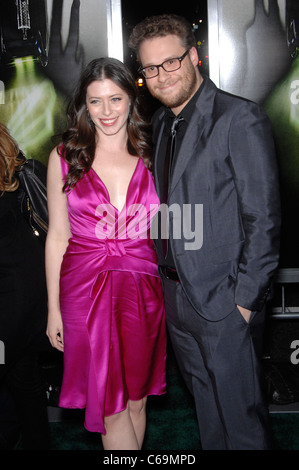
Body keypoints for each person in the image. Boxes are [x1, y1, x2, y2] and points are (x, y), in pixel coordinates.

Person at [128, 14, 281, 450]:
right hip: (176, 302)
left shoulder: (239, 118)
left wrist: (245, 302)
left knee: (243, 425)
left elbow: (264, 218)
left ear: (194, 56)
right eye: (151, 68)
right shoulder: (159, 125)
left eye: (172, 61)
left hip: (225, 304)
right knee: (209, 420)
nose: (162, 75)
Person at [45, 57, 166, 450]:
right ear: (83, 104)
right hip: (84, 290)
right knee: (109, 405)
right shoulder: (65, 157)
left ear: (132, 99)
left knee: (136, 400)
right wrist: (53, 309)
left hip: (143, 289)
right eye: (95, 102)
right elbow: (57, 236)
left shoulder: (155, 153)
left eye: (115, 99)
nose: (107, 111)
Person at [0, 123, 50, 449]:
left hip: (11, 304)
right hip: (32, 296)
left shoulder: (26, 174)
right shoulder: (26, 170)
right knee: (24, 380)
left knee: (21, 380)